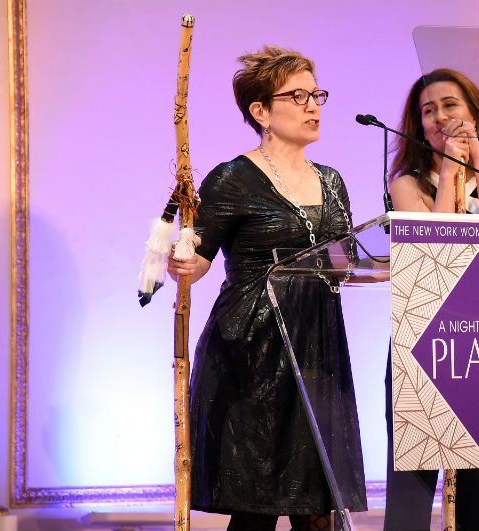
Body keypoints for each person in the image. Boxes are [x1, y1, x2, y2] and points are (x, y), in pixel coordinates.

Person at [168, 46, 366, 531]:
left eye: (316, 94)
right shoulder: (232, 178)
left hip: (318, 350)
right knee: (255, 509)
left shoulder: (333, 181)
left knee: (320, 506)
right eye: (297, 96)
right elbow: (197, 262)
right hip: (252, 350)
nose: (313, 105)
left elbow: (345, 259)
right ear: (260, 111)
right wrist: (180, 260)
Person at [384, 68, 479, 531]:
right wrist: (448, 169)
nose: (441, 116)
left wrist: (478, 165)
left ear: (474, 114)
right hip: (424, 343)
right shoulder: (407, 184)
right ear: (418, 125)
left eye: (451, 105)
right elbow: (435, 251)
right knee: (412, 488)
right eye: (429, 111)